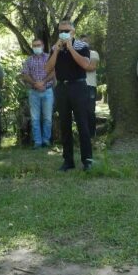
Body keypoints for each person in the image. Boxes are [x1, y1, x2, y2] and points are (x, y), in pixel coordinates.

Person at [46, 20, 93, 171]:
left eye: (67, 30)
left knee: (82, 125)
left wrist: (71, 48)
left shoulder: (82, 46)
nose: (63, 33)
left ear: (73, 31)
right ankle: (68, 161)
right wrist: (57, 50)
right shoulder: (55, 48)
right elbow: (47, 69)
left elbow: (85, 65)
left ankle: (87, 161)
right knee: (64, 125)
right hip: (62, 88)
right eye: (61, 31)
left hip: (78, 87)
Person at [20, 39, 55, 148]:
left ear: (43, 45)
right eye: (34, 45)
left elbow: (54, 71)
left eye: (38, 45)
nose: (36, 47)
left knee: (47, 118)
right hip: (34, 92)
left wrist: (43, 82)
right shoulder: (29, 60)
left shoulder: (50, 57)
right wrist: (35, 84)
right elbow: (25, 75)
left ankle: (46, 140)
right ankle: (37, 142)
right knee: (35, 118)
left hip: (47, 90)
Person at [80, 34, 100, 138]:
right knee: (80, 111)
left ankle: (92, 134)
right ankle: (82, 134)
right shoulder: (76, 53)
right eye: (82, 41)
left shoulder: (93, 53)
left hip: (90, 85)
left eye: (86, 41)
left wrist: (79, 66)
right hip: (78, 86)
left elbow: (92, 67)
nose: (85, 43)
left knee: (90, 111)